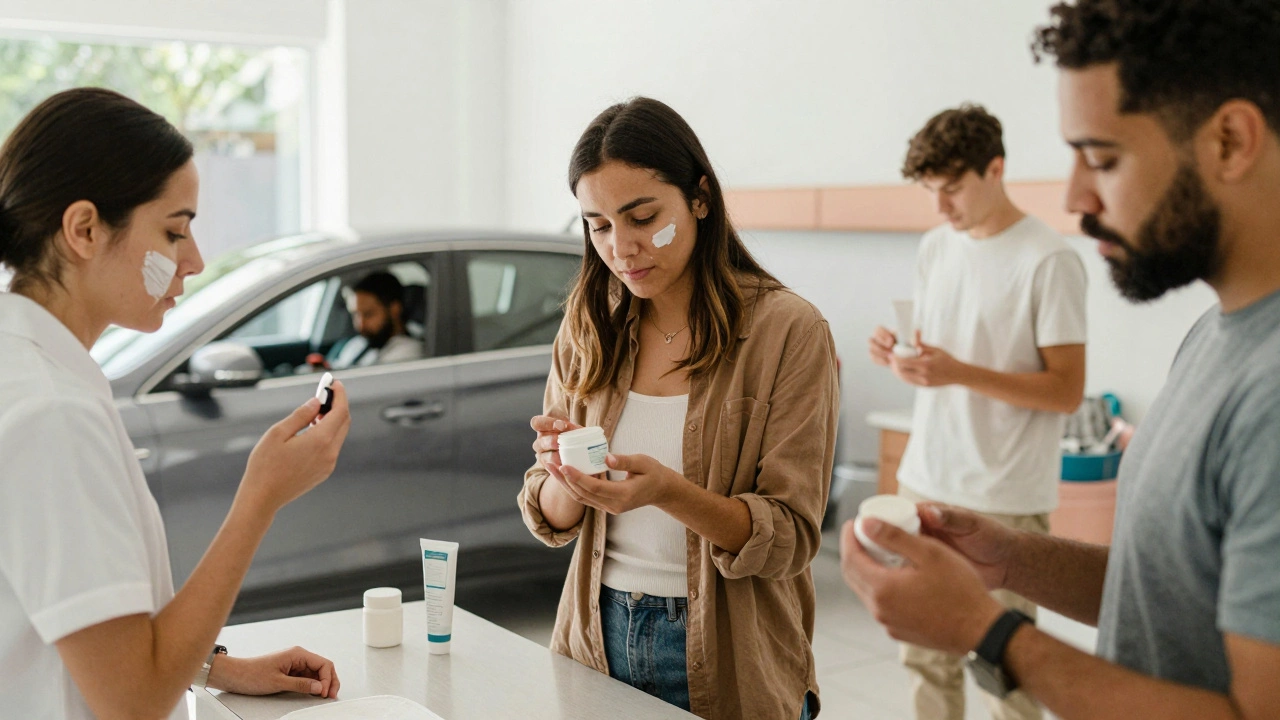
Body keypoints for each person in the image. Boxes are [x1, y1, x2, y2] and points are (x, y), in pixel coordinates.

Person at [842, 2, 1280, 719]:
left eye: (1102, 158)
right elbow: (1166, 588)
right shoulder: (1214, 334)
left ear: (1230, 140)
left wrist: (990, 635)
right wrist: (1013, 560)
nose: (1076, 197)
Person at [0, 88, 352, 719]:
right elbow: (132, 701)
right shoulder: (52, 415)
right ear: (84, 229)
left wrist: (215, 666)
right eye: (174, 230)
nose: (193, 260)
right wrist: (261, 496)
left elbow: (75, 621)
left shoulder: (30, 367)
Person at [518, 97, 837, 720]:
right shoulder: (589, 325)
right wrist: (564, 477)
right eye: (599, 225)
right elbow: (551, 515)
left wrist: (669, 493)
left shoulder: (786, 331)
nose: (623, 247)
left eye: (642, 217)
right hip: (594, 640)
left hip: (731, 654)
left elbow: (791, 537)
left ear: (699, 198)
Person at [866, 104, 1087, 720]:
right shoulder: (937, 247)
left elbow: (1066, 391)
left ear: (996, 169)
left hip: (1007, 492)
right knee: (925, 656)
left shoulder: (1049, 260)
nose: (940, 207)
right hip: (927, 477)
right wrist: (898, 353)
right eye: (931, 191)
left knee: (1005, 665)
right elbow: (940, 352)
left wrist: (958, 371)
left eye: (952, 189)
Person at [327, 271, 423, 368]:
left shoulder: (409, 352)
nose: (360, 325)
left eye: (368, 314)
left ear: (394, 309)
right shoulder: (358, 343)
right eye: (356, 314)